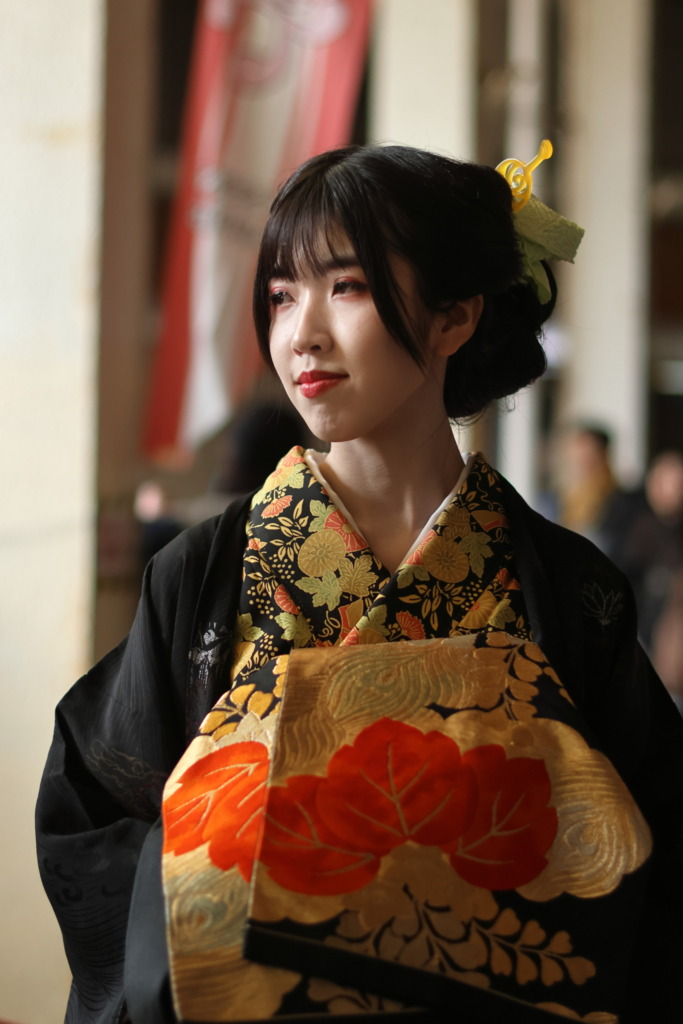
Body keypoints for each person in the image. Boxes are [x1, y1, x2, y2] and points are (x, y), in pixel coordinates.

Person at [36, 144, 683, 1024]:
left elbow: (652, 843)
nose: (301, 333)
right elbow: (95, 811)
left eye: (345, 287)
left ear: (454, 315)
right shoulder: (202, 573)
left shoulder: (569, 590)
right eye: (280, 296)